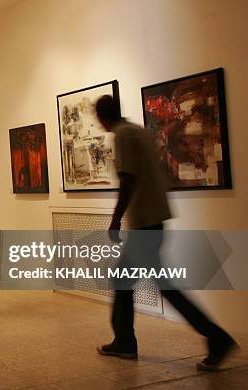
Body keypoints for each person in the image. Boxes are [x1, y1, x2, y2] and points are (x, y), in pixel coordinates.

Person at [94, 95, 238, 371]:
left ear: (102, 116)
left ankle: (215, 338)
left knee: (139, 284)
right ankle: (126, 341)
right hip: (155, 219)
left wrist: (115, 219)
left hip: (146, 223)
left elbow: (129, 178)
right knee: (141, 283)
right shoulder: (139, 132)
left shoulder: (123, 135)